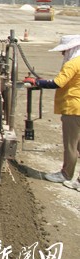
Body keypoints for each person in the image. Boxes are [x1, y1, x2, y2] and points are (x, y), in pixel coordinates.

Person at [24, 34, 80, 191]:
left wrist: (37, 82)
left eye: (64, 51)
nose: (62, 54)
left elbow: (58, 83)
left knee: (71, 145)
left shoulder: (73, 64)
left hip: (74, 108)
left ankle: (66, 174)